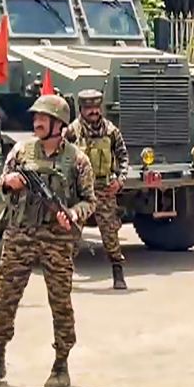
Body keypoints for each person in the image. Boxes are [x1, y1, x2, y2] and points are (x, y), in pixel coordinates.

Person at [0, 94, 97, 387]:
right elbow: (1, 182)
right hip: (20, 235)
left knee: (60, 302)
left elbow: (90, 201)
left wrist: (72, 214)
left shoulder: (77, 159)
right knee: (5, 298)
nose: (37, 122)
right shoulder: (21, 151)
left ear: (59, 123)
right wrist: (11, 182)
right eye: (35, 118)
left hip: (57, 240)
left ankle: (61, 365)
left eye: (43, 118)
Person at [65, 89, 131, 290]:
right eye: (88, 108)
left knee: (110, 233)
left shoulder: (111, 131)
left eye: (96, 107)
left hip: (104, 189)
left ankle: (118, 273)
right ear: (81, 109)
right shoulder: (72, 132)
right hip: (80, 192)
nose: (93, 111)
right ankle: (64, 276)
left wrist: (120, 180)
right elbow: (60, 158)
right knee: (72, 235)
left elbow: (123, 157)